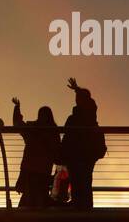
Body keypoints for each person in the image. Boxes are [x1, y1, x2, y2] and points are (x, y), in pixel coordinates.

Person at [57, 77, 106, 209]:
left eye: (78, 98)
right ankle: (84, 205)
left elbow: (66, 134)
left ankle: (79, 204)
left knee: (79, 179)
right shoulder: (88, 117)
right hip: (85, 153)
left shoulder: (80, 116)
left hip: (78, 153)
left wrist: (77, 89)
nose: (77, 100)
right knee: (83, 180)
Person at [12, 97, 59, 208]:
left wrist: (17, 109)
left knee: (28, 197)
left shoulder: (32, 128)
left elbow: (18, 124)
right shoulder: (53, 131)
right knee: (39, 196)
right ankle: (37, 219)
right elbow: (57, 150)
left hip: (30, 168)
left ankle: (23, 219)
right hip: (43, 169)